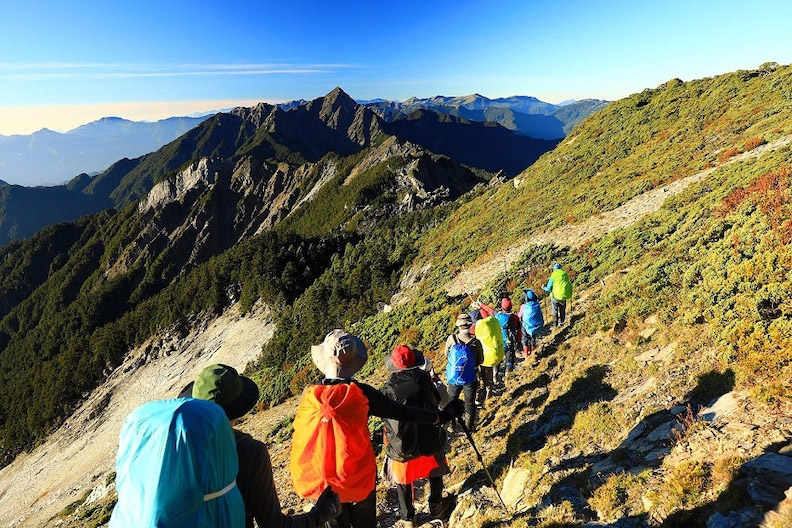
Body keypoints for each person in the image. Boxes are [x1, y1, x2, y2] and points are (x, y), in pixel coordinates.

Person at [290, 330, 464, 528]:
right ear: (354, 360)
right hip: (358, 475)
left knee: (335, 522)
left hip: (325, 479)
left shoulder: (310, 394)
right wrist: (440, 417)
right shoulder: (362, 393)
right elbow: (402, 412)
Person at [180, 364, 341, 528]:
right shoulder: (249, 452)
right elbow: (273, 524)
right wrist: (319, 514)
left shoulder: (176, 445)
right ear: (238, 408)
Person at [381, 345, 456, 526]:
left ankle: (408, 518)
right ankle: (436, 504)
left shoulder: (388, 388)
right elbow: (439, 400)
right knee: (435, 470)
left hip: (401, 444)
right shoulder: (424, 380)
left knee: (403, 480)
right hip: (429, 435)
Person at [444, 313, 484, 430]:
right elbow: (481, 360)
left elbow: (446, 354)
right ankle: (469, 427)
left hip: (454, 376)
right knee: (469, 403)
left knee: (452, 400)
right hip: (470, 377)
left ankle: (453, 424)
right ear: (470, 325)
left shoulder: (452, 339)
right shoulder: (476, 342)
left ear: (458, 325)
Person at [469, 303, 505, 406]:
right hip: (495, 353)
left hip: (485, 359)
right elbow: (490, 314)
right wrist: (481, 307)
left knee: (481, 377)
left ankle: (483, 394)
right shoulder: (491, 322)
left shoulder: (476, 329)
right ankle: (491, 387)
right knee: (489, 374)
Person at [494, 298, 522, 379]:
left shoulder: (497, 316)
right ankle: (508, 378)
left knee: (498, 360)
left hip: (499, 341)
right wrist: (518, 342)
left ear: (502, 307)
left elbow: (489, 310)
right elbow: (518, 330)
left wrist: (481, 304)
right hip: (509, 342)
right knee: (509, 360)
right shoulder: (515, 317)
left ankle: (494, 377)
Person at [519, 289, 544, 357]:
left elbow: (519, 316)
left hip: (526, 326)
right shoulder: (537, 305)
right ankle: (533, 352)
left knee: (525, 338)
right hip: (535, 326)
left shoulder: (524, 306)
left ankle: (526, 353)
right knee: (533, 338)